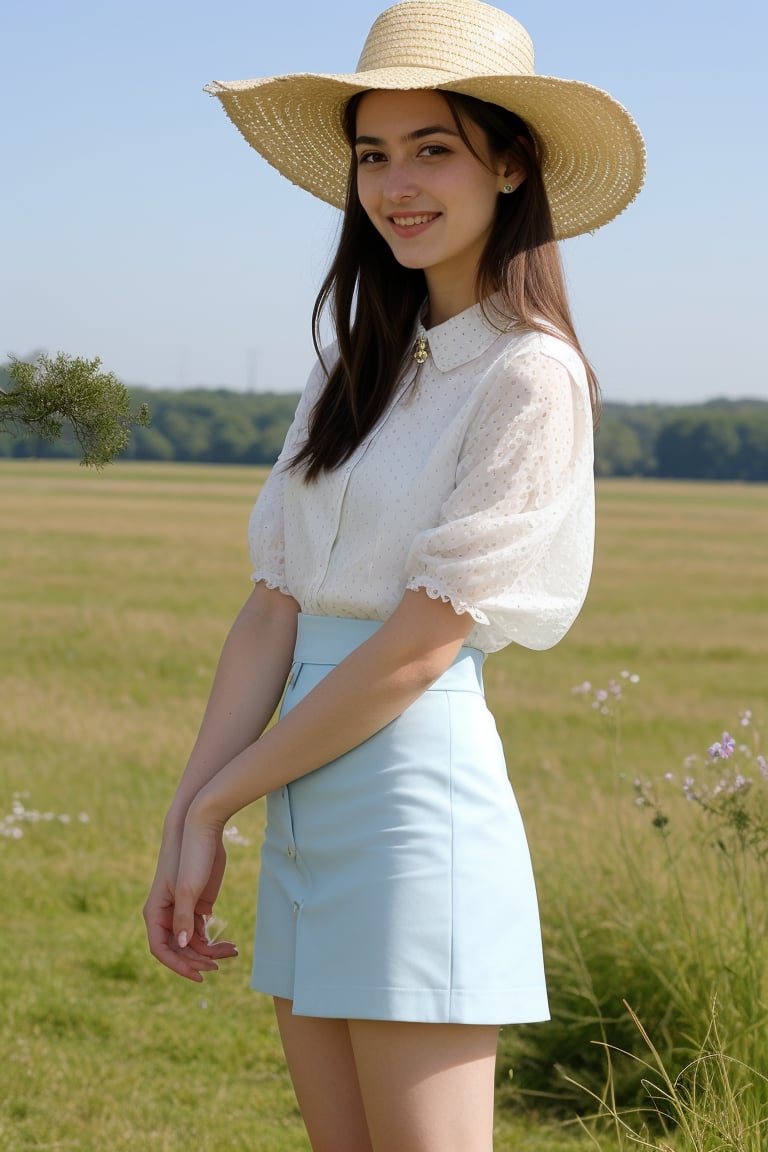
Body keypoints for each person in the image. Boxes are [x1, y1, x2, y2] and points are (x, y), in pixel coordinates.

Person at [143, 1, 645, 1148]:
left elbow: (419, 647)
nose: (395, 184)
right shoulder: (349, 369)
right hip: (307, 796)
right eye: (375, 154)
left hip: (414, 809)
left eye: (434, 149)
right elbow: (275, 608)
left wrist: (227, 798)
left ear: (512, 164)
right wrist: (188, 816)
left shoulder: (531, 377)